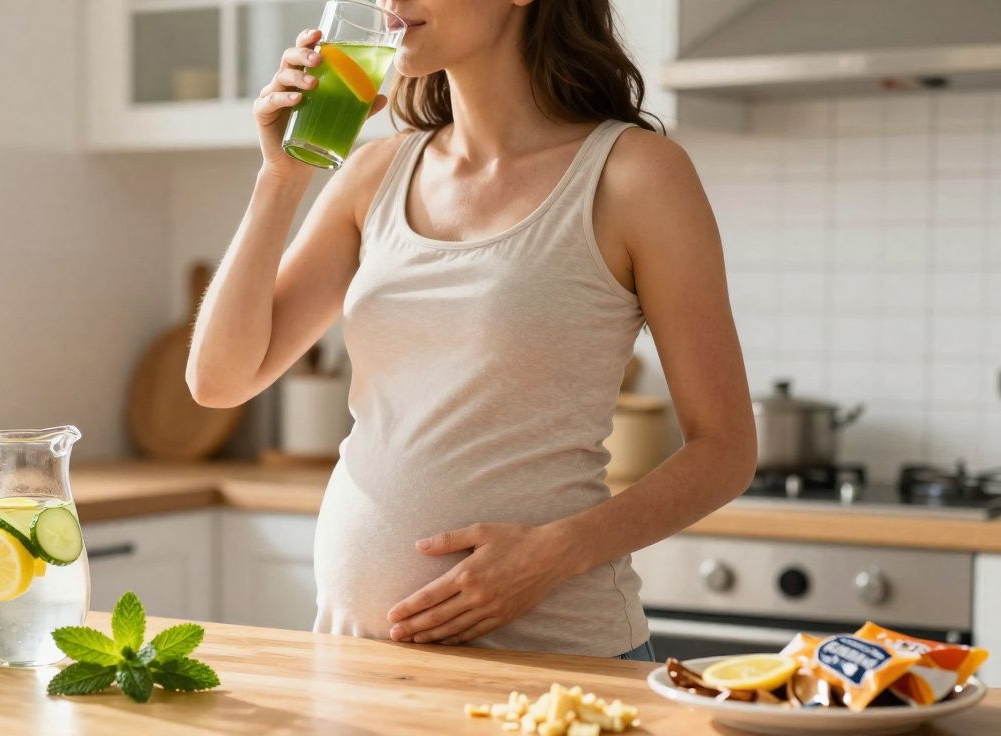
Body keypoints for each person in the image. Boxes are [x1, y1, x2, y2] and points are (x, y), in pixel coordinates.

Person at [185, 0, 756, 661]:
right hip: (361, 662)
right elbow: (218, 381)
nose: (389, 5)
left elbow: (725, 451)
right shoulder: (375, 173)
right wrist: (281, 174)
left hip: (554, 664)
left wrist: (551, 555)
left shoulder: (636, 176)